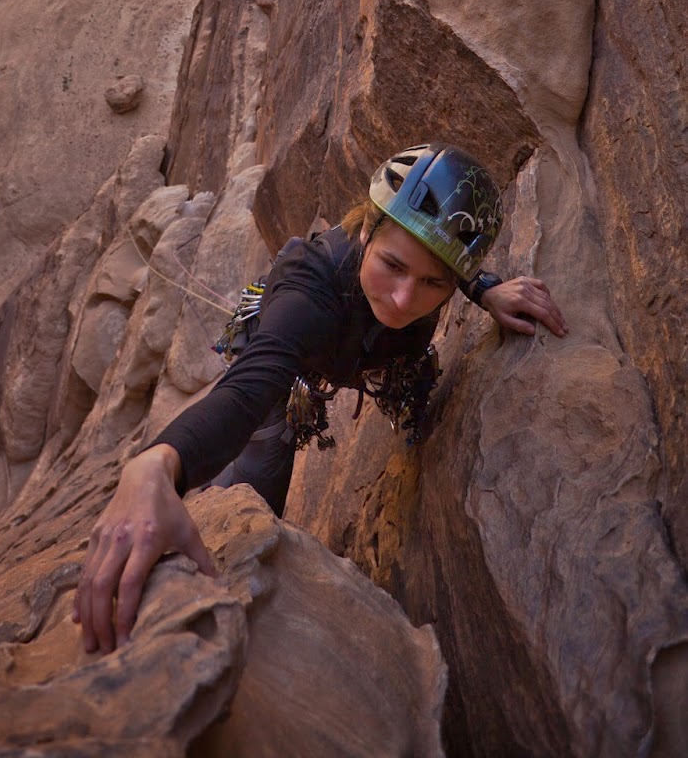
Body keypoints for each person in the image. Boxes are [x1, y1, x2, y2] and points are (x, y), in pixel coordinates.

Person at [72, 142, 569, 654]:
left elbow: (441, 260)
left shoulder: (426, 270)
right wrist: (156, 465)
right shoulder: (310, 292)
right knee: (261, 469)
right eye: (392, 265)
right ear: (364, 231)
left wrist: (485, 289)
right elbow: (245, 394)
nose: (402, 300)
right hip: (296, 356)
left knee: (414, 382)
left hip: (381, 354)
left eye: (430, 284)